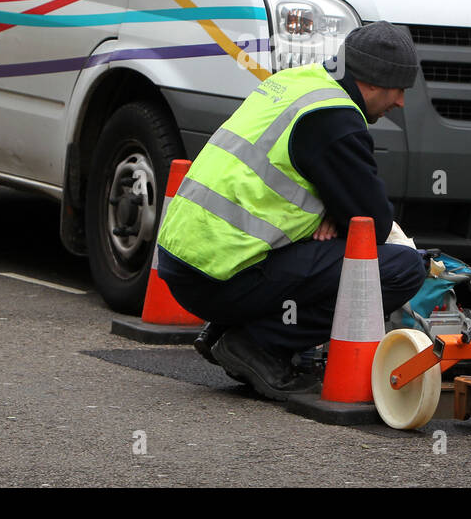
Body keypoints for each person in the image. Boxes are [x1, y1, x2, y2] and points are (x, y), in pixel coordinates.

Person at [156, 21, 428, 400]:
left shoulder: (296, 82)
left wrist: (332, 210)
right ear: (373, 82)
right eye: (399, 90)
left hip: (186, 262)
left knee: (332, 253)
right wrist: (332, 211)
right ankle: (257, 344)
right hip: (219, 275)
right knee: (400, 268)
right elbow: (373, 225)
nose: (400, 102)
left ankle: (224, 331)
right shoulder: (335, 118)